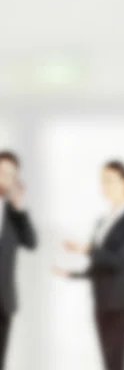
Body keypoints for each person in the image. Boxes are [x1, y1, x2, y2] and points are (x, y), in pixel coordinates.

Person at [54, 160, 124, 370]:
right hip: (101, 301)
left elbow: (120, 260)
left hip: (121, 303)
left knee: (116, 362)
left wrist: (85, 249)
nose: (105, 186)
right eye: (103, 181)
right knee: (107, 362)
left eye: (110, 180)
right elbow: (99, 265)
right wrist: (72, 274)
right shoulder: (101, 222)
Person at [0, 150, 37, 370]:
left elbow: (31, 243)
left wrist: (18, 208)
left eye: (11, 174)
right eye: (3, 171)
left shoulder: (14, 214)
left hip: (3, 302)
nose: (6, 177)